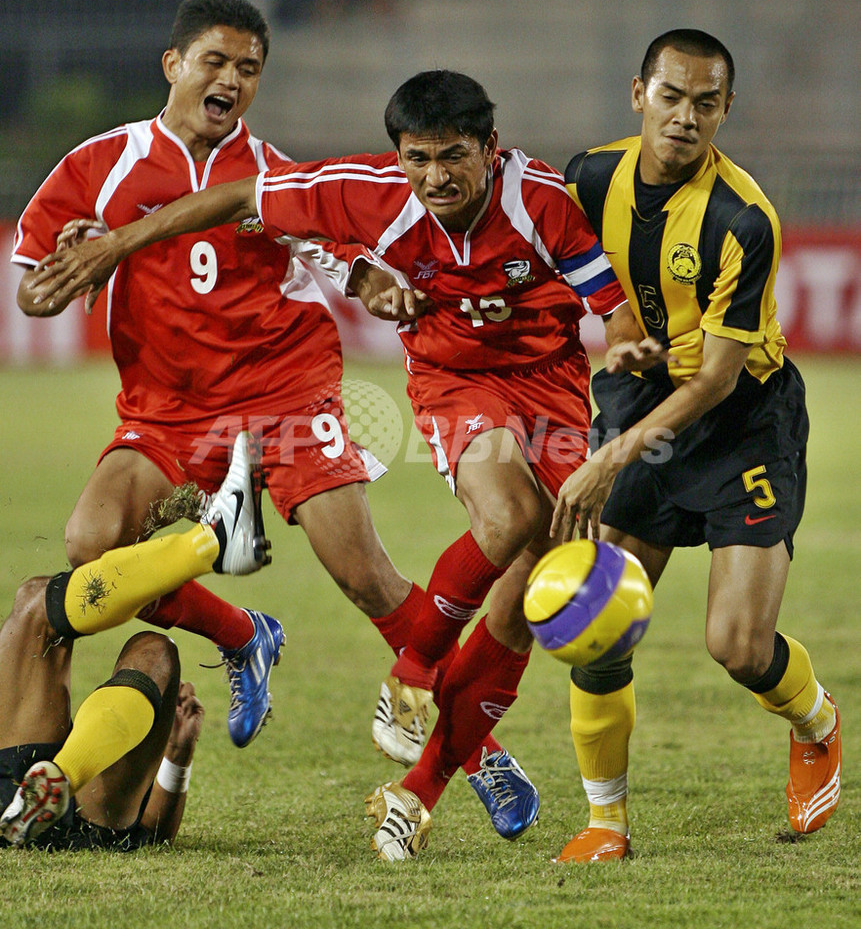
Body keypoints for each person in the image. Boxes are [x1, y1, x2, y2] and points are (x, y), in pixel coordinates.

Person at [24, 69, 639, 860]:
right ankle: (252, 634)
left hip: (293, 385)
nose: (231, 79)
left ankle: (456, 755)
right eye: (216, 59)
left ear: (490, 149)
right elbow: (43, 277)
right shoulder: (107, 161)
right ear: (175, 63)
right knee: (89, 546)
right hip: (177, 407)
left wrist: (369, 281)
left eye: (249, 65)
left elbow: (316, 243)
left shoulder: (517, 197)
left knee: (401, 578)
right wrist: (107, 247)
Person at [550, 29, 841, 863]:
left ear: (725, 109)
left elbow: (713, 379)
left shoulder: (742, 217)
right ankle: (606, 823)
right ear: (637, 93)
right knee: (597, 621)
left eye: (704, 103)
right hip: (638, 400)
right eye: (670, 97)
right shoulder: (586, 178)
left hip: (742, 419)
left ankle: (816, 725)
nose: (684, 117)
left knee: (737, 646)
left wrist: (605, 458)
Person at [0, 435, 270, 849]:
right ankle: (211, 542)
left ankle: (56, 781)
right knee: (153, 651)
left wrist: (178, 752)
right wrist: (176, 763)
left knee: (46, 602)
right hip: (92, 821)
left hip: (12, 801)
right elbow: (151, 835)